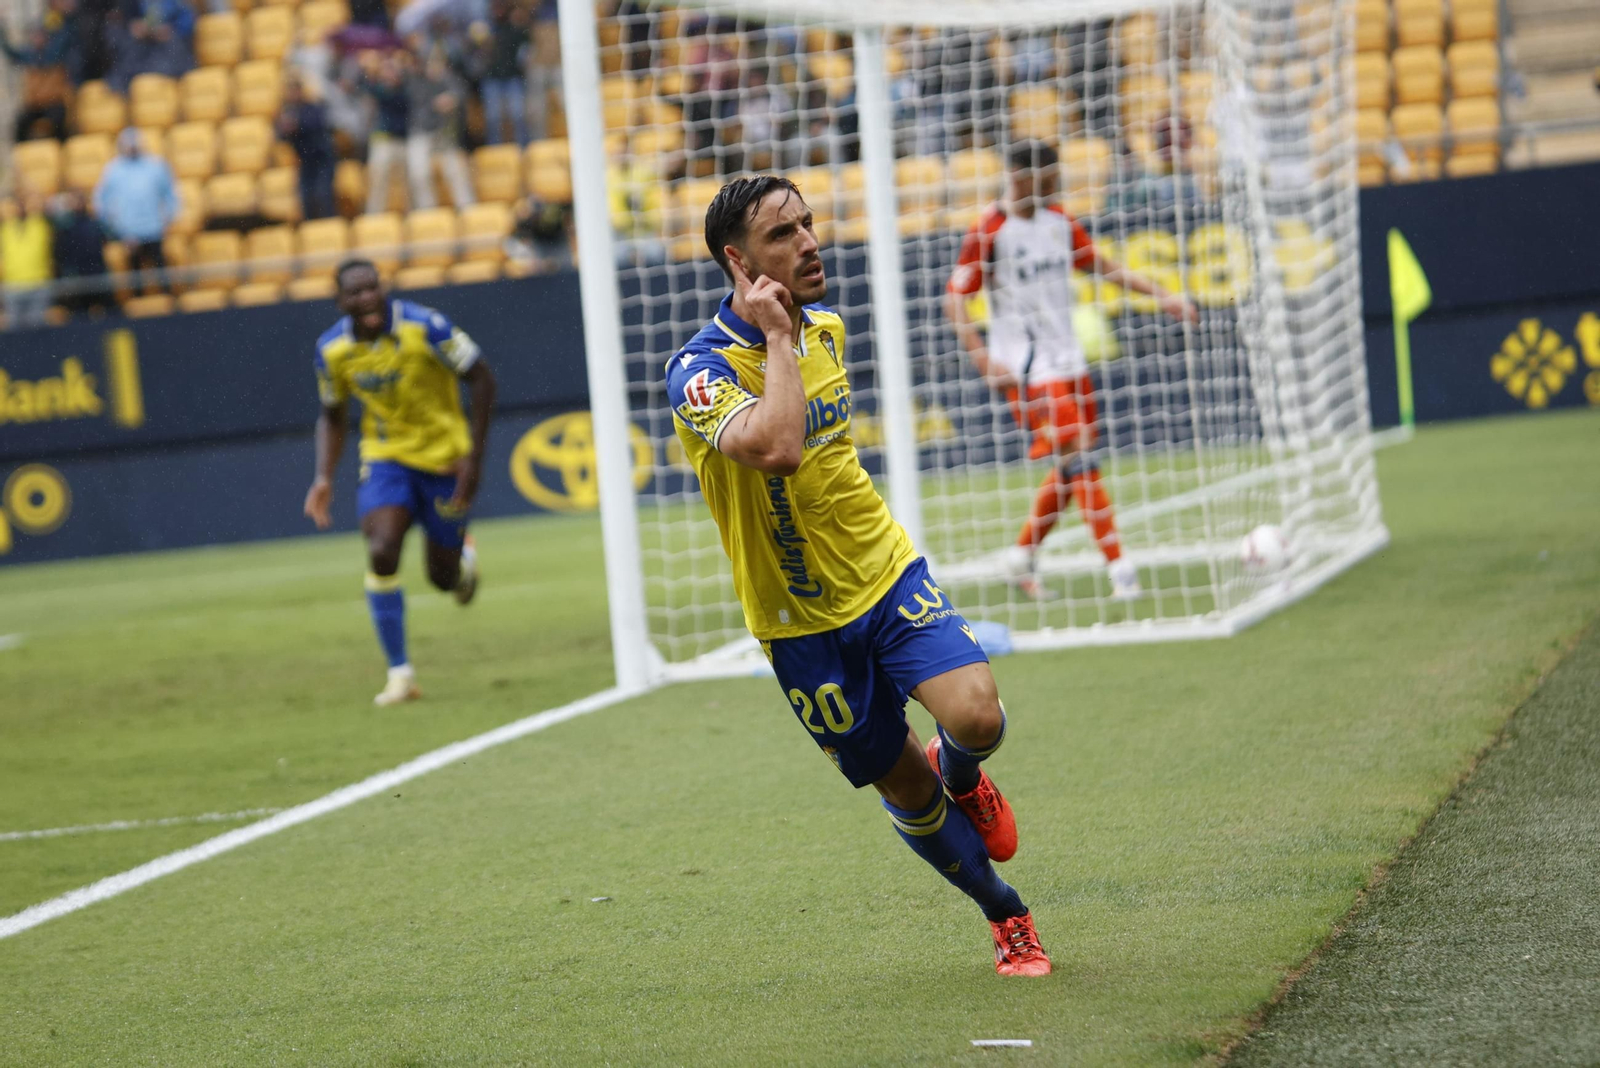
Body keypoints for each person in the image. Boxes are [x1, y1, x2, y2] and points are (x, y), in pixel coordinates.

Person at [664, 175, 1051, 977]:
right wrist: (775, 340)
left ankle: (966, 772)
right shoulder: (696, 374)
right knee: (907, 791)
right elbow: (776, 448)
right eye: (783, 234)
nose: (809, 243)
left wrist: (789, 339)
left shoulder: (828, 330)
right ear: (738, 261)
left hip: (886, 576)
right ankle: (1006, 914)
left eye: (809, 224)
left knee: (976, 716)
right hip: (799, 624)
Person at [946, 140, 1197, 602]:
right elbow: (955, 297)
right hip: (1026, 370)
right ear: (1022, 178)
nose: (1057, 185)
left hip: (1070, 362)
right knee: (1079, 453)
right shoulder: (991, 229)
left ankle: (1021, 556)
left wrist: (1166, 297)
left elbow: (1105, 268)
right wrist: (984, 358)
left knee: (1070, 468)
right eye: (1049, 179)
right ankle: (1120, 567)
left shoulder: (1059, 222)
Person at [303, 259, 497, 706]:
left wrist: (474, 458)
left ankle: (463, 562)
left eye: (372, 288)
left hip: (446, 459)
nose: (366, 298)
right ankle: (400, 673)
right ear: (340, 301)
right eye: (355, 292)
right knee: (382, 547)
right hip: (386, 458)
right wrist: (323, 477)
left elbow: (482, 378)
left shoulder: (426, 327)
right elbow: (333, 415)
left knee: (442, 578)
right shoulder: (331, 350)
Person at [93, 128, 180, 293]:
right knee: (135, 278)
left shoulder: (156, 166)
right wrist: (115, 229)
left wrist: (168, 218)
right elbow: (101, 201)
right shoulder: (114, 170)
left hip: (154, 229)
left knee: (162, 274)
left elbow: (171, 194)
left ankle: (169, 305)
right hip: (129, 234)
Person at [1, 0, 80, 142]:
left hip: (54, 103)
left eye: (39, 35)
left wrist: (65, 14)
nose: (36, 39)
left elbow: (67, 35)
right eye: (34, 36)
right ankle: (23, 154)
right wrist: (2, 27)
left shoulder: (54, 52)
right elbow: (10, 52)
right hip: (36, 106)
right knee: (21, 122)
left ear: (45, 37)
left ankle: (62, 149)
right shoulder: (29, 55)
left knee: (59, 120)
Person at [405, 51, 475, 210]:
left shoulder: (447, 80)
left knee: (456, 171)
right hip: (420, 133)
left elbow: (461, 92)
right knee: (419, 174)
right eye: (432, 64)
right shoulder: (416, 81)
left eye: (439, 64)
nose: (435, 68)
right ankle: (428, 211)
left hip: (443, 135)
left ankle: (467, 208)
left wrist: (452, 98)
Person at [276, 76, 337, 220]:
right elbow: (279, 135)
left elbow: (317, 123)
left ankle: (331, 226)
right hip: (305, 161)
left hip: (322, 158)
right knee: (306, 198)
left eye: (294, 91)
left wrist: (296, 125)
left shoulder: (312, 107)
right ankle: (311, 231)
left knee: (323, 194)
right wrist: (285, 128)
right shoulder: (287, 112)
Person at [360, 50, 412, 214]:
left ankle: (413, 215)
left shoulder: (406, 90)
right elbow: (367, 87)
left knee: (408, 182)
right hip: (382, 139)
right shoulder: (378, 89)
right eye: (386, 70)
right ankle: (374, 215)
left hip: (403, 140)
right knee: (378, 179)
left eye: (392, 70)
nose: (389, 73)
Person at [49, 190, 116, 319]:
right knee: (79, 318)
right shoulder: (64, 227)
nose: (77, 203)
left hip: (98, 275)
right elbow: (60, 253)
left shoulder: (95, 222)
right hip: (77, 279)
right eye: (74, 200)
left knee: (111, 315)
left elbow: (111, 236)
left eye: (80, 199)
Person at [475, 0, 531, 146]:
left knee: (517, 115)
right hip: (492, 78)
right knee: (493, 118)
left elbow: (525, 53)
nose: (498, 11)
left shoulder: (515, 30)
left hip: (512, 77)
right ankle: (496, 148)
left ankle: (523, 147)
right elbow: (477, 58)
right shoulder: (484, 32)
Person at [1, 194, 56, 331]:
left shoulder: (39, 224)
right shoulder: (6, 228)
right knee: (13, 331)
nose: (20, 208)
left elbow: (47, 207)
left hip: (38, 283)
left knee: (37, 328)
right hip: (12, 286)